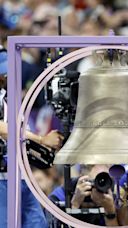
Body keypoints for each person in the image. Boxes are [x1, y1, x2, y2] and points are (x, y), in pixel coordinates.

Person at [0, 49, 64, 227]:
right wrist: (42, 140)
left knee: (38, 224)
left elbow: (21, 137)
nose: (5, 76)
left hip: (21, 175)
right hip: (2, 180)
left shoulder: (9, 100)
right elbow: (2, 129)